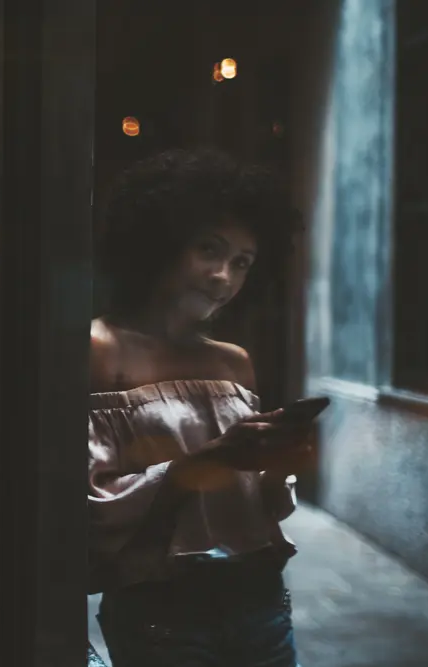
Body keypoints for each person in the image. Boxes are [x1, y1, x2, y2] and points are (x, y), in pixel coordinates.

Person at [88, 148, 311, 667]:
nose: (223, 277)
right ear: (160, 244)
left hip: (260, 598)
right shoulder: (96, 350)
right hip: (160, 606)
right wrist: (209, 460)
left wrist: (279, 468)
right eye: (208, 250)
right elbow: (93, 505)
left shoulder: (234, 363)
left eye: (242, 263)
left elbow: (261, 504)